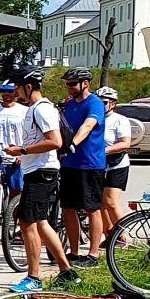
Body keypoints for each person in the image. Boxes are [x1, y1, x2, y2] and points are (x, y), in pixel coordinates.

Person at [2, 65, 76, 292]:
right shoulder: (35, 108)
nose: (15, 92)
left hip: (41, 171)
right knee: (41, 223)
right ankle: (67, 272)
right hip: (37, 170)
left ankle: (33, 278)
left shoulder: (42, 109)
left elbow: (55, 141)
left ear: (28, 86)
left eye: (17, 87)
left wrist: (22, 150)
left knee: (27, 223)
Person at [57, 67, 108, 267]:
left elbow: (87, 126)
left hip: (90, 163)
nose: (69, 87)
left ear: (85, 84)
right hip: (69, 163)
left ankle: (93, 255)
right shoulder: (70, 104)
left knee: (91, 208)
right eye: (67, 84)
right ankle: (74, 252)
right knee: (68, 208)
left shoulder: (95, 103)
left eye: (72, 84)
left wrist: (73, 144)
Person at [96, 86, 134, 238]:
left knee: (110, 201)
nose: (100, 105)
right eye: (97, 102)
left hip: (117, 164)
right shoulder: (94, 119)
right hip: (98, 164)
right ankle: (110, 236)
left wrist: (104, 151)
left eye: (104, 102)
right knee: (100, 203)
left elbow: (125, 143)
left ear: (112, 104)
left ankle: (123, 236)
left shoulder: (120, 120)